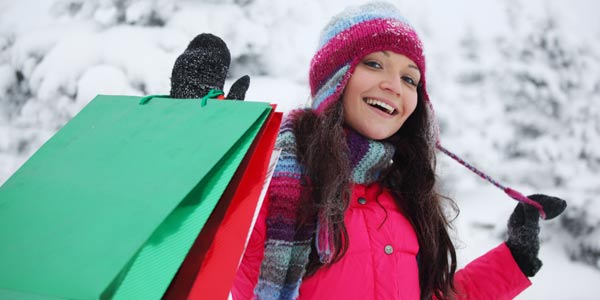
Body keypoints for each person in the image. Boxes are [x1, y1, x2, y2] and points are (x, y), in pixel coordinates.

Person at [169, 2, 566, 299]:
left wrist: (514, 258)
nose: (396, 85)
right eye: (374, 64)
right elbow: (194, 245)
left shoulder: (404, 197)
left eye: (411, 79)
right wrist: (197, 147)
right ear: (334, 80)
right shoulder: (279, 186)